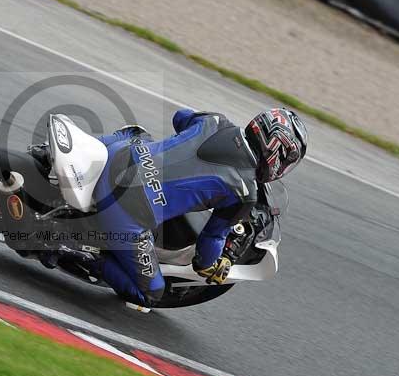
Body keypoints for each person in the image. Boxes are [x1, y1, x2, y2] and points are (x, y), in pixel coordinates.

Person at [91, 108, 308, 309]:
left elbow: (180, 116)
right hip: (127, 213)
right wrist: (211, 264)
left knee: (138, 133)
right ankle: (92, 260)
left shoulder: (215, 121)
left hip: (118, 156)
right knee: (151, 292)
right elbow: (211, 239)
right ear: (276, 152)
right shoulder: (244, 191)